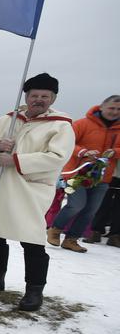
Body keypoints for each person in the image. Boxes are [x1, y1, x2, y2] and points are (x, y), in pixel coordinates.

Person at [0, 73, 75, 311]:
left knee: (32, 240)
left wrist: (17, 160)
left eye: (44, 96)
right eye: (34, 95)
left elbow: (57, 157)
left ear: (53, 98)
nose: (39, 100)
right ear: (26, 96)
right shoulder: (7, 119)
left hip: (29, 189)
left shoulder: (60, 125)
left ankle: (34, 291)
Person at [47, 94, 120, 252]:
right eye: (112, 108)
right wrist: (83, 152)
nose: (115, 112)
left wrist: (115, 152)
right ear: (102, 107)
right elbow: (66, 143)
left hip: (102, 177)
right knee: (76, 205)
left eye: (118, 109)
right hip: (77, 173)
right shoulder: (82, 124)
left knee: (91, 210)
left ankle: (71, 239)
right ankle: (55, 230)